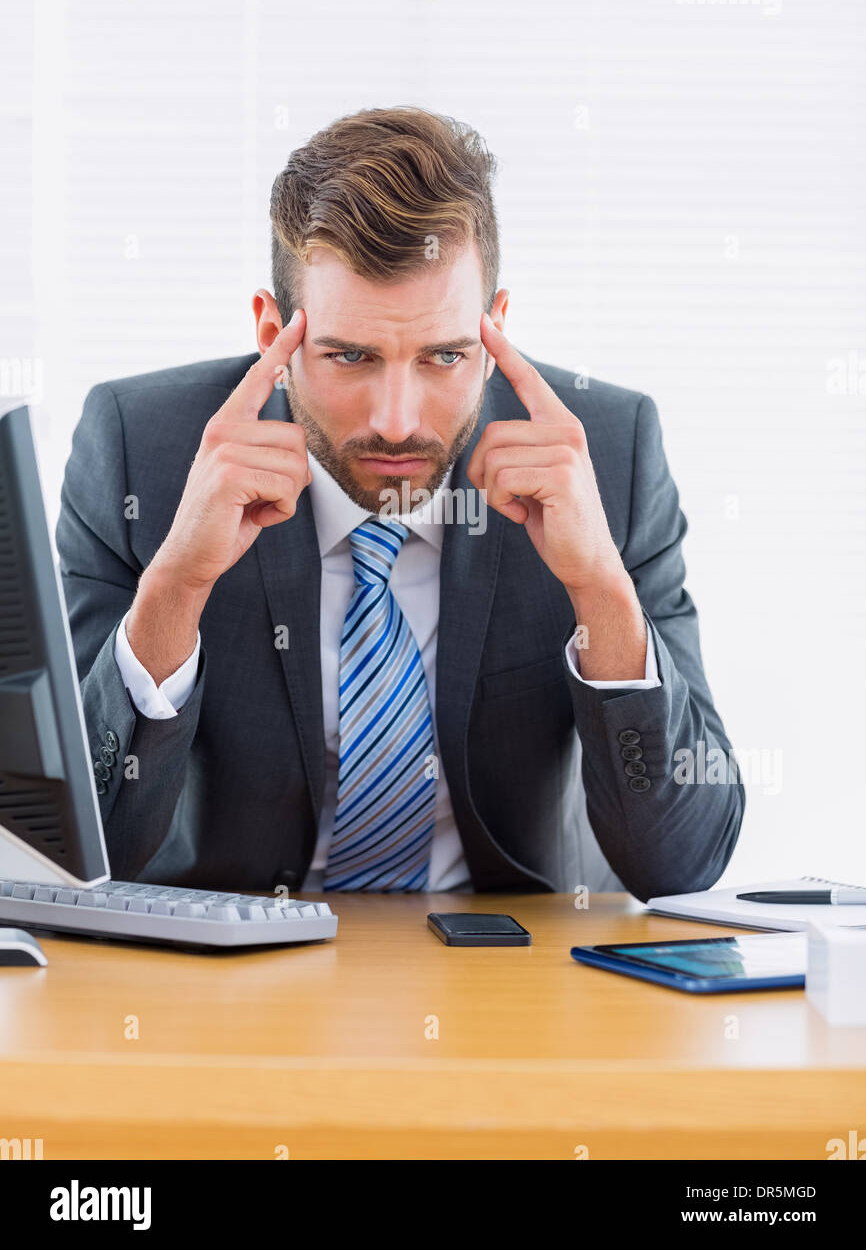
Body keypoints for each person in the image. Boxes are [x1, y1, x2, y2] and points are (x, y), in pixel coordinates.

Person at [56, 105, 743, 899]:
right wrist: (174, 588)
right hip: (229, 983)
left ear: (495, 331)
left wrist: (600, 591)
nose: (396, 419)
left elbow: (685, 864)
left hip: (511, 983)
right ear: (272, 333)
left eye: (444, 356)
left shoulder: (607, 458)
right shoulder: (142, 450)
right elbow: (78, 857)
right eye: (350, 355)